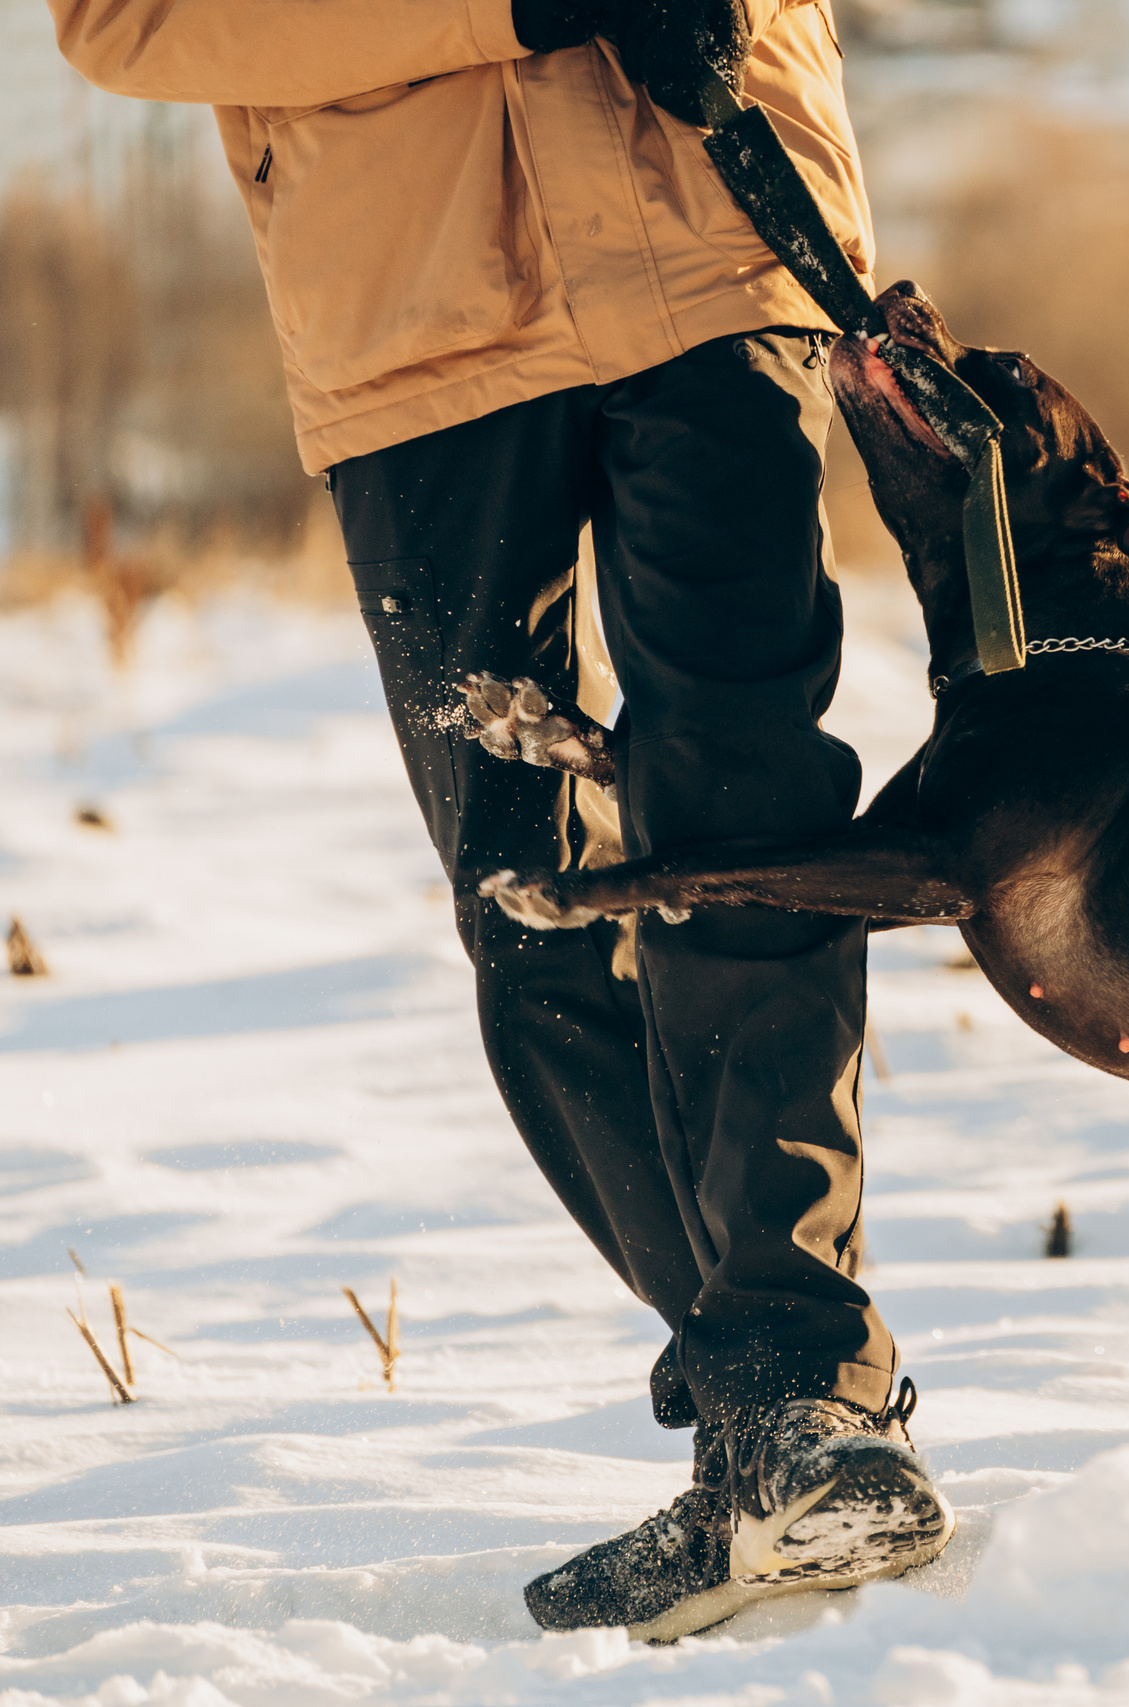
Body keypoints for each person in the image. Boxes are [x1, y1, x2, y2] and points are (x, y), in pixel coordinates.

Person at [50, 0, 950, 1639]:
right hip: (420, 330)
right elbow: (127, 21)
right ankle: (780, 1409)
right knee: (532, 895)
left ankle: (799, 1388)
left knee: (749, 807)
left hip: (712, 238)